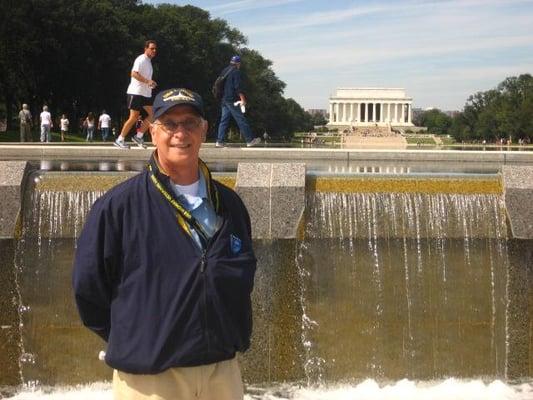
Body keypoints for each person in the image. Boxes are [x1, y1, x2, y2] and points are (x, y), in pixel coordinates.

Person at [73, 88, 257, 400]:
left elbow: (242, 277)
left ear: (204, 130)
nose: (180, 133)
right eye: (169, 124)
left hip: (221, 374)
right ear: (152, 131)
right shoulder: (118, 207)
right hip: (150, 377)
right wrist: (137, 338)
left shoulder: (229, 204)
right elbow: (88, 290)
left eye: (190, 122)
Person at [115, 40, 158, 149]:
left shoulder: (148, 62)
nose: (154, 50)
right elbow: (133, 73)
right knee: (134, 117)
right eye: (152, 48)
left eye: (155, 49)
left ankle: (138, 136)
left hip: (145, 94)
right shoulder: (141, 59)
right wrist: (147, 81)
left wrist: (150, 83)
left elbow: (145, 78)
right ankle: (120, 139)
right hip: (135, 92)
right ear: (146, 49)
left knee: (153, 114)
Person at [215, 55, 261, 148]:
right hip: (232, 99)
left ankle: (219, 141)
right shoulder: (236, 72)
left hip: (224, 99)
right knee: (240, 119)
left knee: (224, 120)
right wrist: (243, 99)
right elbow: (238, 87)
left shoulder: (225, 70)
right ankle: (250, 140)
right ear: (238, 63)